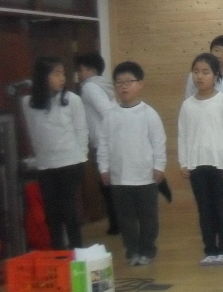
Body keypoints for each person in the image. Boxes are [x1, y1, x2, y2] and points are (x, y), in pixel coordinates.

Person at [99, 61, 166, 266]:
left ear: (140, 84)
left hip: (144, 176)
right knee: (125, 218)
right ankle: (132, 250)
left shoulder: (149, 114)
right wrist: (103, 168)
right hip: (119, 178)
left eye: (129, 82)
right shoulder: (110, 115)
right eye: (119, 83)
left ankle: (148, 250)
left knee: (148, 218)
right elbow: (103, 144)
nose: (124, 87)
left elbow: (159, 142)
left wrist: (159, 166)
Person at [177, 53, 223, 266]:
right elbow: (183, 135)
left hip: (220, 165)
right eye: (196, 72)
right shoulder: (187, 105)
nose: (200, 76)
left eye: (205, 72)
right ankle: (210, 249)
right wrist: (184, 163)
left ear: (215, 75)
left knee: (221, 207)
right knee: (204, 209)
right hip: (197, 165)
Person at [22, 57, 88, 249]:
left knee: (69, 210)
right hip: (46, 165)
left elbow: (81, 130)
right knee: (52, 213)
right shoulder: (28, 102)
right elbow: (33, 132)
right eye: (57, 74)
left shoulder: (72, 100)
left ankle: (76, 250)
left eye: (63, 74)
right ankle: (57, 252)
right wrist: (39, 159)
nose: (62, 78)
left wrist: (81, 157)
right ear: (43, 76)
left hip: (71, 163)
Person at [74, 51, 118, 234]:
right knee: (111, 184)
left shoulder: (90, 87)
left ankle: (116, 224)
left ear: (91, 70)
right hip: (109, 141)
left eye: (81, 70)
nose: (78, 74)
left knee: (107, 184)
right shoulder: (103, 85)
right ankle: (117, 222)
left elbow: (106, 112)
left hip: (103, 143)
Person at [183, 35, 223, 114]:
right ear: (211, 51)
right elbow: (188, 100)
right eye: (216, 50)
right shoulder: (194, 76)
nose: (219, 55)